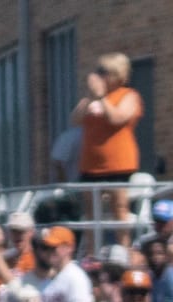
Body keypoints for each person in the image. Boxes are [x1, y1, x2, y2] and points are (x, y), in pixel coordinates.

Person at [72, 53, 143, 248]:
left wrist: (103, 98)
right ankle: (92, 253)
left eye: (105, 72)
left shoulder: (130, 96)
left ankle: (123, 250)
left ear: (118, 75)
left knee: (119, 209)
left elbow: (117, 118)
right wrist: (90, 96)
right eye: (99, 71)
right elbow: (75, 119)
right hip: (90, 165)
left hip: (118, 164)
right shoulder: (90, 99)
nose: (100, 76)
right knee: (90, 212)